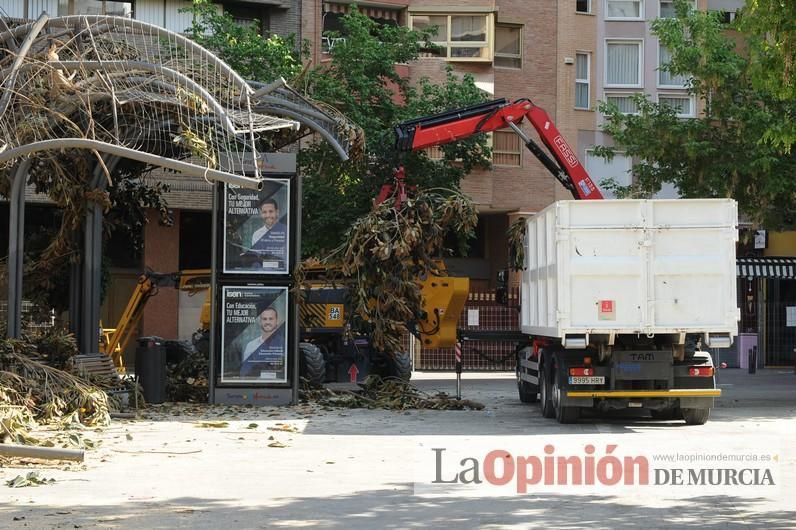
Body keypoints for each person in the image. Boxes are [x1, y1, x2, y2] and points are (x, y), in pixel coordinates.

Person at [240, 305, 286, 379]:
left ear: (277, 321)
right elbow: (245, 372)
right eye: (264, 319)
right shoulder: (251, 345)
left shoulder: (285, 344)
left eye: (271, 319)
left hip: (278, 386)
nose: (267, 322)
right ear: (260, 321)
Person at [249, 197, 287, 269]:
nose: (268, 215)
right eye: (264, 212)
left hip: (282, 273)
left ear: (277, 212)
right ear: (261, 214)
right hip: (263, 272)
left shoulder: (286, 231)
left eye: (271, 211)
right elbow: (256, 259)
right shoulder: (256, 235)